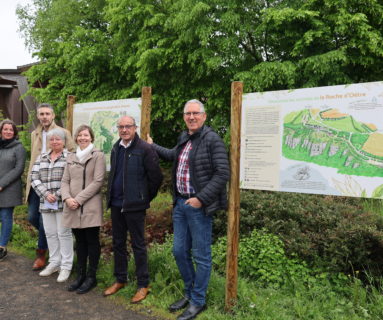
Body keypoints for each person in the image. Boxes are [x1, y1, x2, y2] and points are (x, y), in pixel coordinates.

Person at [147, 99, 230, 320]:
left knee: (201, 256)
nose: (191, 117)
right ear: (184, 117)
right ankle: (190, 292)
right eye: (187, 114)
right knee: (179, 251)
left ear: (204, 116)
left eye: (195, 113)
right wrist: (151, 145)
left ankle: (198, 301)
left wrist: (201, 199)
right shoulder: (185, 138)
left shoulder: (213, 140)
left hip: (198, 207)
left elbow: (223, 174)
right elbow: (172, 155)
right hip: (181, 205)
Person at [104, 115, 163, 303]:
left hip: (135, 206)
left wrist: (143, 197)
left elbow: (156, 178)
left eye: (127, 126)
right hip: (116, 204)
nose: (124, 130)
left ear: (135, 128)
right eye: (120, 127)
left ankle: (142, 284)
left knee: (138, 245)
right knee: (118, 243)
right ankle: (120, 279)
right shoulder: (116, 148)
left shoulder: (145, 149)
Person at [26, 103, 75, 270]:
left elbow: (72, 154)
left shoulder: (64, 133)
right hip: (38, 183)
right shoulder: (35, 134)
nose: (44, 117)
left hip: (56, 185)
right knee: (32, 216)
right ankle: (55, 243)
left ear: (53, 115)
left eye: (47, 113)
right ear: (38, 116)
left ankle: (42, 254)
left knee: (44, 218)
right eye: (41, 114)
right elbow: (33, 158)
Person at [61, 125, 106, 294]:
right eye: (79, 135)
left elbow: (98, 181)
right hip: (72, 205)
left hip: (89, 206)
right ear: (76, 138)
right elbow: (65, 181)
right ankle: (80, 275)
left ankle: (91, 277)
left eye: (86, 135)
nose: (82, 138)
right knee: (79, 242)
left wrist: (78, 200)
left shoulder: (98, 155)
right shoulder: (71, 156)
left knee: (92, 241)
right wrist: (67, 198)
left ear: (91, 137)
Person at [31, 128, 74, 282]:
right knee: (50, 233)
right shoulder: (42, 157)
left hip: (62, 202)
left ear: (63, 141)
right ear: (48, 142)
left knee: (64, 233)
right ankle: (54, 262)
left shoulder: (69, 157)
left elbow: (70, 179)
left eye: (58, 139)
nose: (55, 142)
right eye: (52, 139)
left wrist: (56, 195)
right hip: (45, 203)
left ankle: (66, 265)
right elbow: (34, 177)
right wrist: (45, 194)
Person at [0, 119, 26, 260]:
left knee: (5, 217)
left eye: (11, 129)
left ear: (14, 132)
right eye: (5, 129)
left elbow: (19, 169)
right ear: (1, 131)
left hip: (9, 188)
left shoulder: (19, 147)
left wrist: (2, 183)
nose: (8, 132)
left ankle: (2, 247)